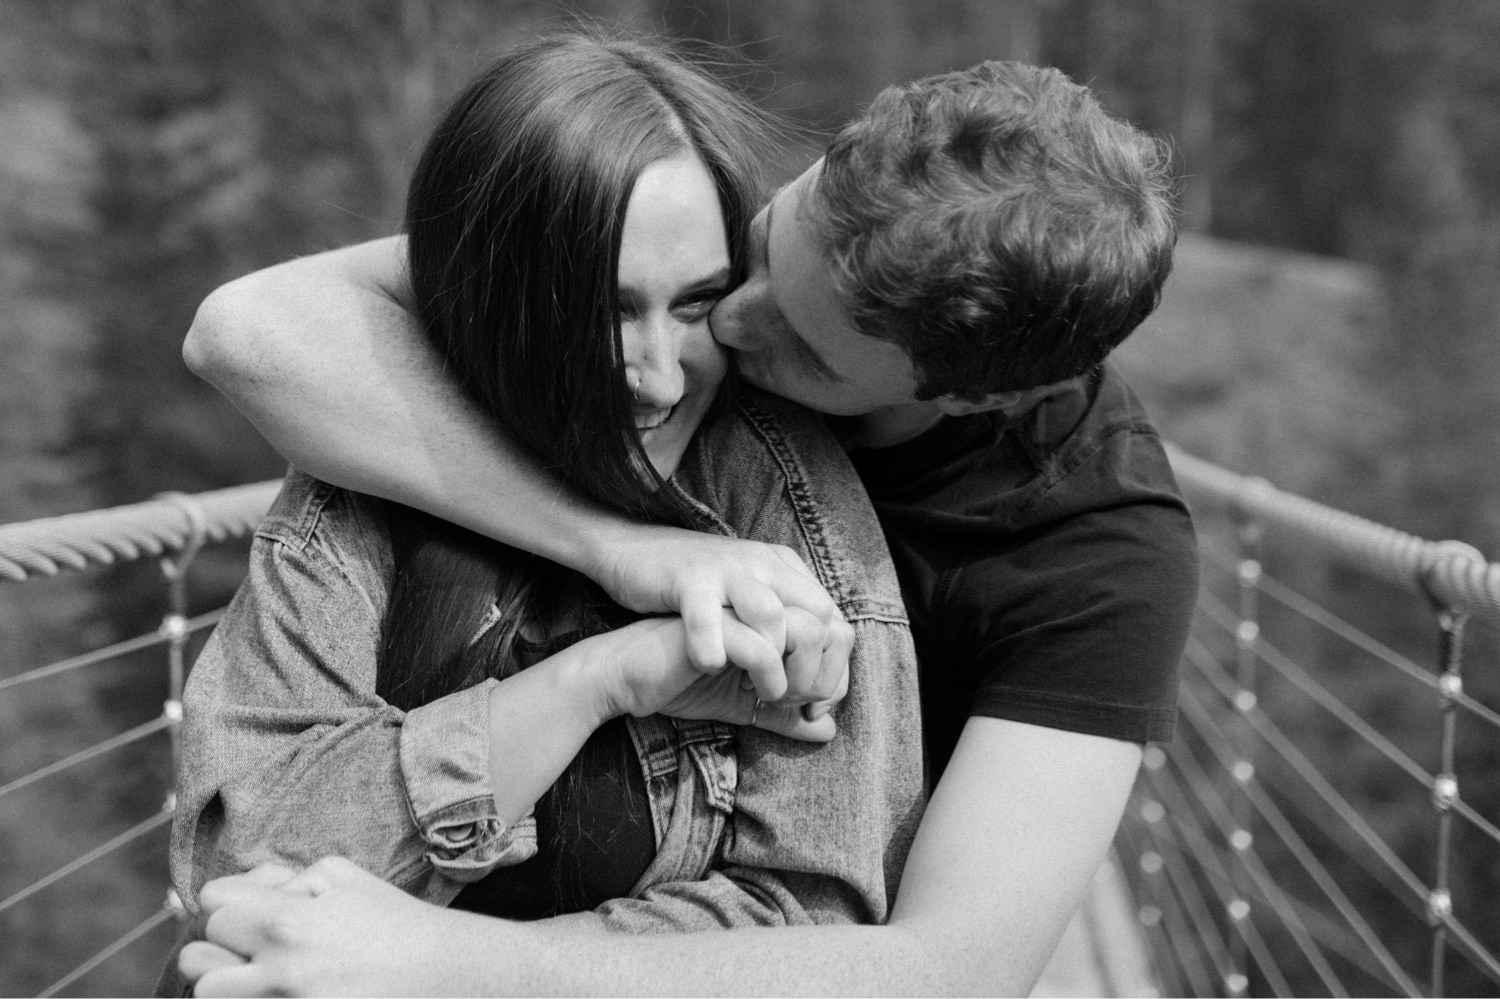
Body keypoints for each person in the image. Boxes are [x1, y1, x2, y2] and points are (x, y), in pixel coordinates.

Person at [180, 56, 1198, 995]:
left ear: (966, 402)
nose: (726, 326)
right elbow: (251, 329)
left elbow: (949, 974)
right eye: (753, 255)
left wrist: (441, 965)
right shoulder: (689, 240)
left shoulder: (1099, 561)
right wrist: (626, 553)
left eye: (800, 346)